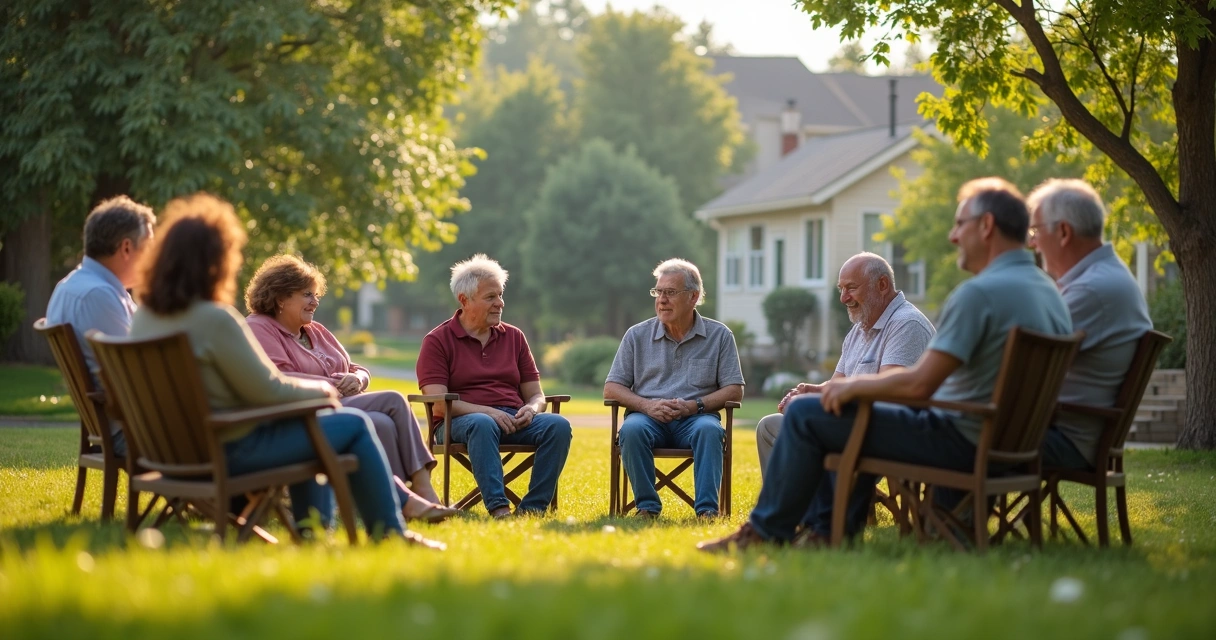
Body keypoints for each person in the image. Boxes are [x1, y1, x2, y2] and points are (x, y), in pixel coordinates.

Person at [698, 177, 1072, 551]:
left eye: (960, 224)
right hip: (1013, 442)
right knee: (832, 415)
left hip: (960, 438)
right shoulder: (1050, 292)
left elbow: (918, 385)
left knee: (807, 416)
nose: (953, 236)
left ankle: (767, 533)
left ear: (987, 226)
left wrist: (849, 387)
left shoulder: (979, 294)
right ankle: (825, 532)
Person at [127, 193, 443, 548]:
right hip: (225, 449)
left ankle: (315, 534)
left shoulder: (144, 318)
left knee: (311, 426)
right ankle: (388, 532)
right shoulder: (215, 320)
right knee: (350, 424)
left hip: (165, 453)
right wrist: (324, 391)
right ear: (215, 262)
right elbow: (269, 390)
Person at [243, 255, 456, 522]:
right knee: (393, 399)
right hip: (308, 410)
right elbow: (279, 376)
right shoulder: (260, 327)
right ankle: (423, 489)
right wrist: (331, 383)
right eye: (307, 294)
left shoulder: (315, 330)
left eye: (316, 294)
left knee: (382, 423)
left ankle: (389, 502)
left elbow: (356, 368)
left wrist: (360, 380)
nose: (315, 301)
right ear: (280, 298)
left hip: (342, 402)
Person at [756, 252, 934, 542]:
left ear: (882, 285)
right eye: (841, 289)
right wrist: (813, 391)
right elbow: (838, 383)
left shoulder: (906, 324)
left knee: (809, 428)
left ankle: (810, 524)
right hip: (853, 422)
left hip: (887, 431)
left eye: (851, 288)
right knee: (769, 427)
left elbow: (890, 390)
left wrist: (825, 403)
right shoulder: (858, 330)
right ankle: (792, 516)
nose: (843, 298)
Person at [416, 254, 572, 518]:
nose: (499, 303)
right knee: (482, 423)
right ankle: (499, 508)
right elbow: (439, 401)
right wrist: (489, 412)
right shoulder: (437, 341)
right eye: (490, 297)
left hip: (512, 418)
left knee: (558, 425)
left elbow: (535, 394)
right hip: (458, 423)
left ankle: (533, 509)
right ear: (464, 300)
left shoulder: (514, 336)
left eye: (500, 295)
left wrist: (532, 410)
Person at [1026, 178, 1153, 470]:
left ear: (1063, 232)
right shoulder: (1105, 278)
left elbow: (1025, 367)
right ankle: (953, 516)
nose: (1032, 242)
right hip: (1066, 431)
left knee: (952, 431)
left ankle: (945, 517)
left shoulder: (1092, 290)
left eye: (1035, 230)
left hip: (1062, 439)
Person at [604, 258, 745, 518]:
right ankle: (646, 508)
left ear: (693, 297)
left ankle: (706, 511)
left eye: (670, 292)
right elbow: (612, 388)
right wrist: (647, 406)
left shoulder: (719, 335)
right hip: (647, 419)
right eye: (658, 292)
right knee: (632, 430)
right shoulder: (637, 335)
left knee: (709, 431)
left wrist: (695, 406)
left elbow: (734, 389)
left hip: (696, 419)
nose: (662, 300)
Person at [46, 196, 157, 456]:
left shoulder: (75, 285)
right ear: (127, 248)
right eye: (149, 247)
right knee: (235, 440)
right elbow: (138, 376)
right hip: (132, 433)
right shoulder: (99, 295)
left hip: (119, 426)